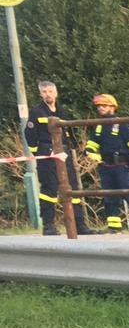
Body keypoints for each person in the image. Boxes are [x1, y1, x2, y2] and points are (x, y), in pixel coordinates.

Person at [24, 80, 93, 236]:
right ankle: (48, 225)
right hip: (47, 153)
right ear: (40, 94)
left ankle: (79, 224)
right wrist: (38, 152)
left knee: (73, 188)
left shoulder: (62, 111)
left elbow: (69, 131)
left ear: (56, 93)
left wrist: (76, 147)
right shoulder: (36, 111)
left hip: (64, 152)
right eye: (44, 92)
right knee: (49, 189)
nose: (48, 94)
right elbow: (30, 133)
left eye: (50, 91)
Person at [83, 94, 129, 232]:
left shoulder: (122, 124)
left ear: (113, 107)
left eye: (104, 106)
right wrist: (90, 152)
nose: (100, 108)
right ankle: (114, 226)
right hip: (106, 166)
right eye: (99, 106)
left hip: (122, 165)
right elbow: (92, 144)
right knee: (109, 196)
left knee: (127, 193)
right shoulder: (99, 126)